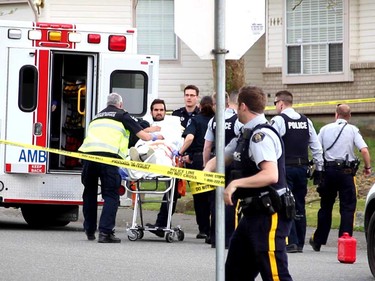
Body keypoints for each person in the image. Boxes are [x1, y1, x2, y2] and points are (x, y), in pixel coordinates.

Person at [204, 86, 293, 280]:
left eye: (236, 107)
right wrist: (206, 171)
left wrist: (235, 184)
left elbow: (270, 175)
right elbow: (224, 156)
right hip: (252, 213)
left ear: (243, 106)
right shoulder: (245, 134)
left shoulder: (261, 136)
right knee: (236, 271)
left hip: (269, 213)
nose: (235, 111)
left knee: (275, 274)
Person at [78, 93, 163, 243]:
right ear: (120, 104)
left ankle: (89, 230)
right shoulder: (122, 115)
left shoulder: (96, 117)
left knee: (89, 194)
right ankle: (105, 233)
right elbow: (143, 136)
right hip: (108, 158)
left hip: (88, 158)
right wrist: (156, 137)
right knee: (111, 195)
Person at [310, 104, 372, 252]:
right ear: (349, 116)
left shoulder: (325, 129)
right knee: (347, 208)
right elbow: (364, 149)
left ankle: (318, 240)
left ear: (336, 115)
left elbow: (317, 148)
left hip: (328, 171)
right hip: (346, 172)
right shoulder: (352, 130)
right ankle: (344, 242)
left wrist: (319, 167)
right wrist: (367, 167)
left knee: (325, 206)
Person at [270, 90, 324, 253]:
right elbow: (316, 146)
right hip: (302, 169)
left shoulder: (278, 120)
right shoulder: (305, 121)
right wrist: (319, 169)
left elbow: (271, 143)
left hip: (285, 169)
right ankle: (299, 242)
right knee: (299, 204)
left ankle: (290, 241)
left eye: (275, 104)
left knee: (286, 203)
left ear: (280, 103)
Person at [146, 86, 199, 236]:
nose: (189, 97)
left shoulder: (200, 115)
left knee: (200, 195)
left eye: (192, 95)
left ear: (197, 97)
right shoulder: (175, 115)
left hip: (192, 157)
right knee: (172, 192)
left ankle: (206, 231)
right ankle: (162, 224)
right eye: (186, 95)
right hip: (175, 159)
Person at [203, 92, 242, 248]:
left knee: (215, 201)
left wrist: (206, 166)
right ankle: (228, 238)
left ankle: (214, 238)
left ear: (215, 104)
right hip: (233, 164)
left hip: (216, 163)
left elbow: (207, 147)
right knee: (230, 199)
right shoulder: (237, 120)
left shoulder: (213, 121)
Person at [179, 95, 215, 239]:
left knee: (199, 197)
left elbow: (189, 138)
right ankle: (215, 230)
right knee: (213, 196)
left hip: (198, 160)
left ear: (200, 106)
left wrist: (180, 152)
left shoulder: (195, 120)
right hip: (217, 159)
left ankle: (203, 229)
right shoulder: (219, 121)